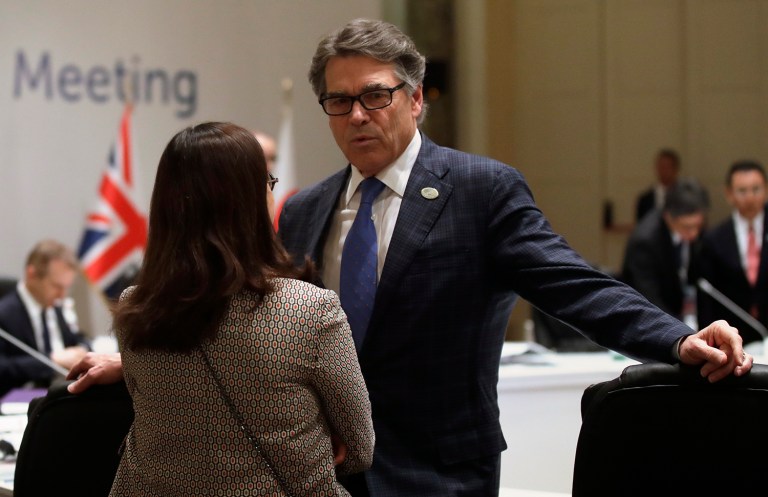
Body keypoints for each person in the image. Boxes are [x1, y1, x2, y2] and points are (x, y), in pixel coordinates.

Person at [69, 19, 751, 497]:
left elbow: (576, 286)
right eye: (339, 100)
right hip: (322, 472)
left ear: (417, 99)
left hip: (438, 473)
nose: (357, 115)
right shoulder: (306, 208)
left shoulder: (481, 191)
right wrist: (149, 356)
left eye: (376, 95)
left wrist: (679, 339)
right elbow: (250, 324)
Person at [103, 122, 373, 496]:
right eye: (269, 182)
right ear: (250, 200)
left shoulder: (136, 307)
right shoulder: (310, 310)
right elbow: (359, 448)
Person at [0, 239, 89, 395]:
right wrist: (52, 360)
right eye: (57, 286)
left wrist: (83, 350)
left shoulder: (56, 306)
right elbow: (3, 368)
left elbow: (76, 338)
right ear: (32, 274)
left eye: (66, 288)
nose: (62, 296)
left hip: (62, 395)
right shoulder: (5, 314)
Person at [698, 160, 768, 345]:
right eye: (742, 191)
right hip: (733, 338)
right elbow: (706, 299)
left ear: (766, 190)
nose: (750, 198)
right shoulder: (714, 239)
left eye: (756, 189)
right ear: (729, 194)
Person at [622, 178, 709, 321]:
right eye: (687, 227)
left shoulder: (696, 233)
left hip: (683, 311)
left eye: (698, 226)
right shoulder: (644, 242)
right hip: (651, 318)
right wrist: (681, 330)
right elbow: (649, 300)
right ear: (668, 217)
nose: (694, 234)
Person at [635, 148, 681, 222]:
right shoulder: (644, 200)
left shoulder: (686, 197)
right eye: (661, 166)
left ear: (676, 169)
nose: (664, 171)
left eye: (668, 167)